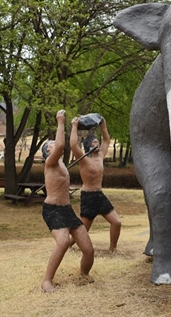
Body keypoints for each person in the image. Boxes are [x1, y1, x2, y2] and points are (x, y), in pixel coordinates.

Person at [41, 109, 94, 293]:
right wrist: (60, 122)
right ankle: (47, 280)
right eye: (51, 144)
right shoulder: (51, 163)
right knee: (63, 242)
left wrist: (73, 126)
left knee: (88, 249)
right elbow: (61, 146)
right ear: (48, 152)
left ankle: (84, 274)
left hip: (67, 210)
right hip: (52, 210)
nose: (54, 144)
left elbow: (71, 144)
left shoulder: (62, 163)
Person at [70, 115, 121, 252]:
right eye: (93, 142)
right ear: (88, 145)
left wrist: (103, 123)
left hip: (100, 195)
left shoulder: (100, 156)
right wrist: (74, 126)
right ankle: (67, 245)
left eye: (97, 141)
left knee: (117, 222)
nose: (97, 143)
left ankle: (112, 249)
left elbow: (106, 140)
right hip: (88, 196)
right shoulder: (83, 159)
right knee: (82, 229)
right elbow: (73, 145)